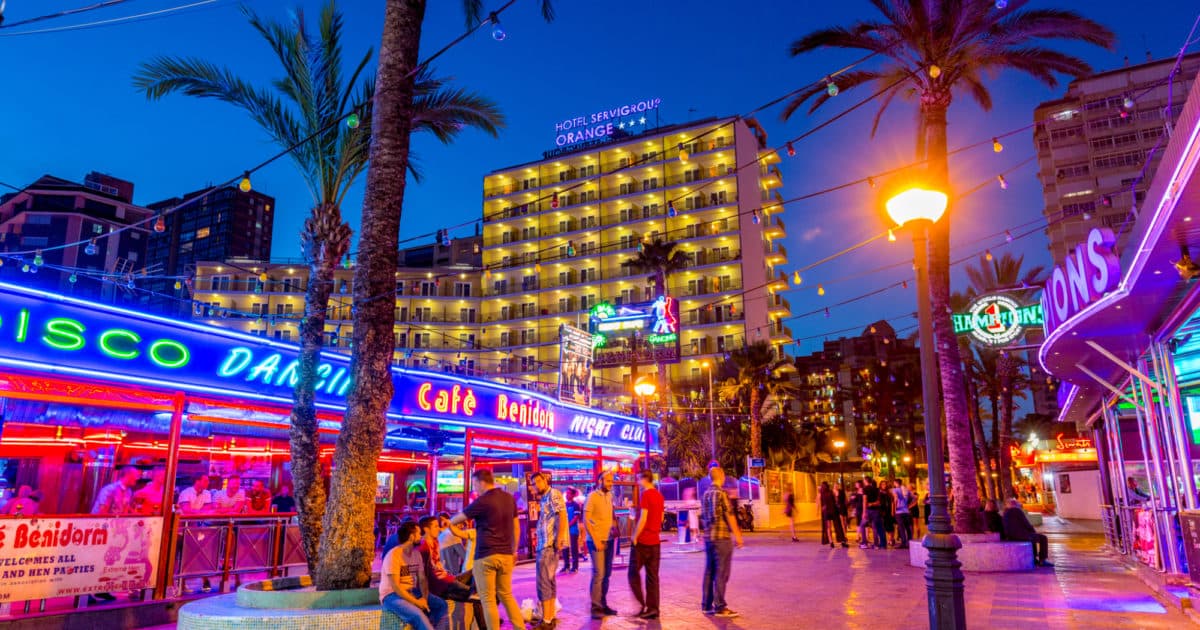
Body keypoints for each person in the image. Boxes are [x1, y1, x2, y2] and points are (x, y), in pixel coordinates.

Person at [450, 469, 526, 630]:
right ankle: (520, 627)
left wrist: (448, 523)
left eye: (475, 484)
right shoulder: (508, 498)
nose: (475, 488)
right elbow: (516, 527)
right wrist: (514, 551)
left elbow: (457, 519)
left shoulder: (482, 501)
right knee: (506, 595)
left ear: (481, 482)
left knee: (488, 599)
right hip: (506, 555)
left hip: (486, 555)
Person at [417, 515, 484, 630]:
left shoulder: (435, 541)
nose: (438, 529)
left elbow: (438, 566)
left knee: (476, 572)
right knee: (478, 597)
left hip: (447, 578)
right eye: (435, 526)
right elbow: (425, 574)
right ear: (427, 529)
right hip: (441, 585)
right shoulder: (423, 547)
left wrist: (447, 574)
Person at [380, 521, 447, 630]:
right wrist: (417, 602)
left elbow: (422, 579)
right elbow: (396, 587)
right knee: (418, 615)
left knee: (441, 605)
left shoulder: (416, 554)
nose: (421, 536)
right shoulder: (394, 556)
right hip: (391, 596)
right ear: (411, 537)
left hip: (412, 591)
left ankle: (427, 626)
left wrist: (424, 599)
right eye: (419, 534)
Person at [700, 465, 743, 618]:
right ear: (721, 476)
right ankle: (720, 606)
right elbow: (730, 515)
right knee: (721, 572)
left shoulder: (705, 494)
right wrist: (738, 536)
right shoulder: (721, 493)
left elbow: (703, 517)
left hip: (708, 539)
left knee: (709, 571)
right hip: (722, 538)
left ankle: (706, 604)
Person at [532, 472, 568, 629]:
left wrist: (559, 538)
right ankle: (550, 616)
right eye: (533, 484)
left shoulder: (553, 494)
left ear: (545, 480)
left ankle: (546, 621)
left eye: (538, 481)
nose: (536, 485)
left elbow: (562, 515)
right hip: (545, 544)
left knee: (544, 583)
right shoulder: (544, 497)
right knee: (549, 581)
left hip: (548, 545)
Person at [629, 471, 664, 620]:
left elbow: (643, 518)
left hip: (643, 541)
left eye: (638, 479)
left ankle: (641, 603)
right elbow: (661, 518)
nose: (637, 482)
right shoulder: (659, 495)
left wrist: (634, 536)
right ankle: (653, 608)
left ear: (644, 479)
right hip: (655, 542)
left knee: (632, 573)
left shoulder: (646, 495)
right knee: (653, 577)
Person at [584, 471, 618, 620]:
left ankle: (603, 604)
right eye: (608, 481)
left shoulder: (609, 496)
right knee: (599, 573)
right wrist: (595, 539)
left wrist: (614, 527)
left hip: (609, 539)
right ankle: (595, 607)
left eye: (611, 481)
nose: (610, 483)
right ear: (600, 481)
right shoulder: (592, 496)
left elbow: (610, 514)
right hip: (596, 541)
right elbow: (586, 519)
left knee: (607, 574)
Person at [1001, 498, 1052, 567]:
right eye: (1017, 503)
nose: (1019, 505)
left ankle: (1034, 559)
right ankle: (1042, 560)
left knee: (1032, 538)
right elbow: (1026, 524)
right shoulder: (1017, 511)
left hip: (1011, 536)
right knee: (1043, 538)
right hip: (1019, 536)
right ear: (1015, 504)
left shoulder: (1005, 513)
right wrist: (1033, 532)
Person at [819, 481, 848, 548]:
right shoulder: (831, 493)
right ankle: (842, 541)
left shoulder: (822, 494)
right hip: (833, 511)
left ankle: (831, 542)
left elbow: (822, 505)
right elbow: (835, 501)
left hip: (826, 512)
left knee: (828, 527)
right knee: (838, 526)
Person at [561, 487, 582, 573]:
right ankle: (566, 566)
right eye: (567, 493)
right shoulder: (564, 504)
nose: (567, 494)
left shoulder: (576, 505)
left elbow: (576, 517)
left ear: (573, 495)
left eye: (569, 493)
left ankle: (575, 566)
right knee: (564, 548)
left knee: (574, 549)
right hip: (565, 532)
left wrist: (568, 525)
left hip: (573, 531)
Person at [863, 477, 886, 550]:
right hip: (878, 510)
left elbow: (865, 501)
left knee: (871, 526)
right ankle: (882, 544)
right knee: (879, 528)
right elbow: (879, 502)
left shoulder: (867, 489)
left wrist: (866, 509)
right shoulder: (878, 491)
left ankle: (870, 543)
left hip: (872, 511)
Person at [892, 480, 914, 549]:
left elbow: (895, 499)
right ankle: (909, 542)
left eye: (894, 483)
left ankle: (903, 543)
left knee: (901, 528)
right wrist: (909, 505)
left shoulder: (895, 490)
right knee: (907, 527)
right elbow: (915, 498)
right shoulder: (907, 490)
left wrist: (894, 510)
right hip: (906, 511)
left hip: (899, 511)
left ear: (896, 483)